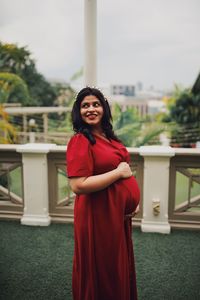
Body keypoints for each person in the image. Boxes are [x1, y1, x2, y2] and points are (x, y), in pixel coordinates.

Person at [66, 87, 140, 300]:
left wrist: (130, 202)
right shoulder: (81, 140)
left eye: (95, 104)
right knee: (103, 269)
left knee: (115, 265)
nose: (91, 109)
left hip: (115, 214)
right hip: (96, 216)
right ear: (78, 112)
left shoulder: (108, 137)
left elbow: (122, 177)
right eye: (85, 105)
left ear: (104, 109)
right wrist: (118, 173)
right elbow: (78, 185)